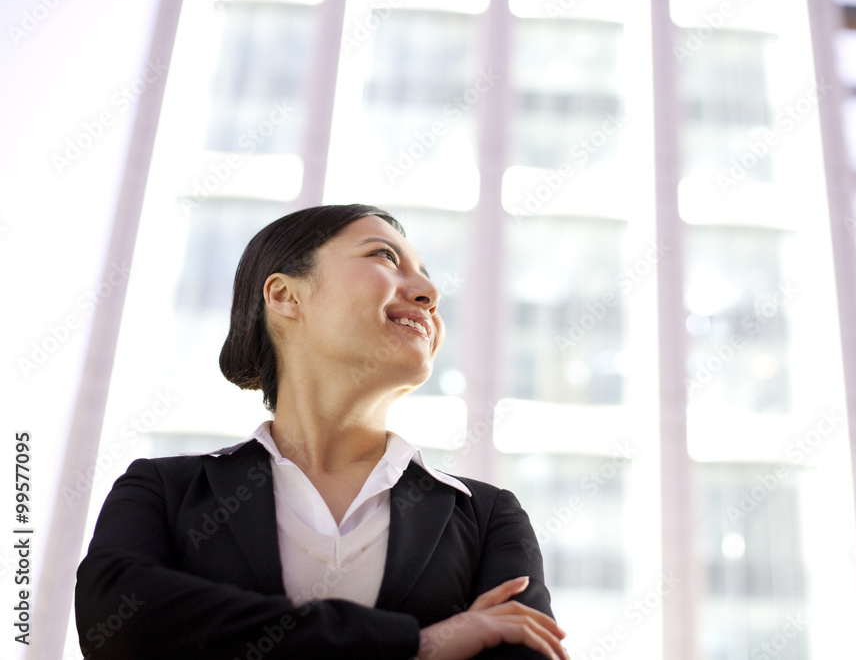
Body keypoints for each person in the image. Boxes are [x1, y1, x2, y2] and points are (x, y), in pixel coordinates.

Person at [75, 204, 568, 660]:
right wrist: (418, 644)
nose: (429, 293)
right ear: (285, 295)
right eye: (385, 256)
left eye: (427, 278)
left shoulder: (486, 518)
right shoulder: (164, 492)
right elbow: (122, 626)